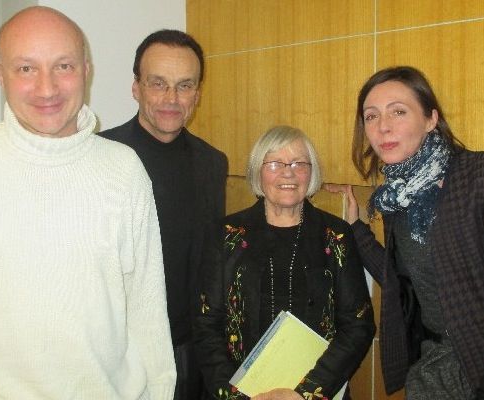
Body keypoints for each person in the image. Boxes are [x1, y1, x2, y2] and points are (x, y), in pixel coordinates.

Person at [0, 7, 176, 399]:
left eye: (63, 66)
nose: (46, 88)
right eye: (26, 68)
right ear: (1, 75)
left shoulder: (124, 169)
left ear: (86, 71)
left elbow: (147, 311)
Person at [325, 66, 484, 399]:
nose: (383, 126)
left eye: (398, 111)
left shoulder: (475, 178)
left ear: (430, 119)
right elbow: (401, 280)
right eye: (371, 116)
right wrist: (356, 228)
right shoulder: (398, 196)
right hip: (435, 362)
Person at [195, 126, 375, 400]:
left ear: (311, 173)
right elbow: (206, 324)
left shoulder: (336, 235)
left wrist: (305, 393)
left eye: (299, 163)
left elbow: (358, 325)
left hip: (317, 392)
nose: (288, 173)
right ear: (257, 171)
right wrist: (237, 397)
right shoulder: (226, 235)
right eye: (275, 163)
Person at [100, 29, 228, 400]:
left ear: (197, 94)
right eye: (158, 83)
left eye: (184, 86)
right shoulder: (99, 156)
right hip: (119, 352)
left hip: (189, 349)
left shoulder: (212, 163)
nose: (171, 99)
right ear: (136, 88)